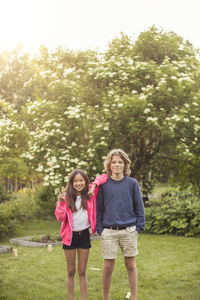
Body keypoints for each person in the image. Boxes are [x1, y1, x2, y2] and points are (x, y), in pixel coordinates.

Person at [96, 149, 145, 300]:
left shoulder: (132, 183)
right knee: (108, 266)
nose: (117, 165)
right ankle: (106, 297)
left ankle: (134, 297)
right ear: (109, 165)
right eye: (114, 162)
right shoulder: (104, 185)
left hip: (129, 230)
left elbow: (139, 206)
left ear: (125, 165)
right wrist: (100, 229)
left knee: (131, 264)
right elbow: (98, 209)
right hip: (109, 231)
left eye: (120, 162)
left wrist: (138, 227)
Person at [55, 169, 108, 300]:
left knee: (82, 271)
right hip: (70, 237)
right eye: (76, 181)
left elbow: (104, 177)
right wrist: (61, 203)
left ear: (85, 181)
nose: (78, 183)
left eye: (81, 180)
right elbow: (61, 218)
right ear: (71, 183)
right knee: (71, 271)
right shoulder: (66, 197)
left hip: (84, 235)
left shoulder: (90, 193)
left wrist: (94, 185)